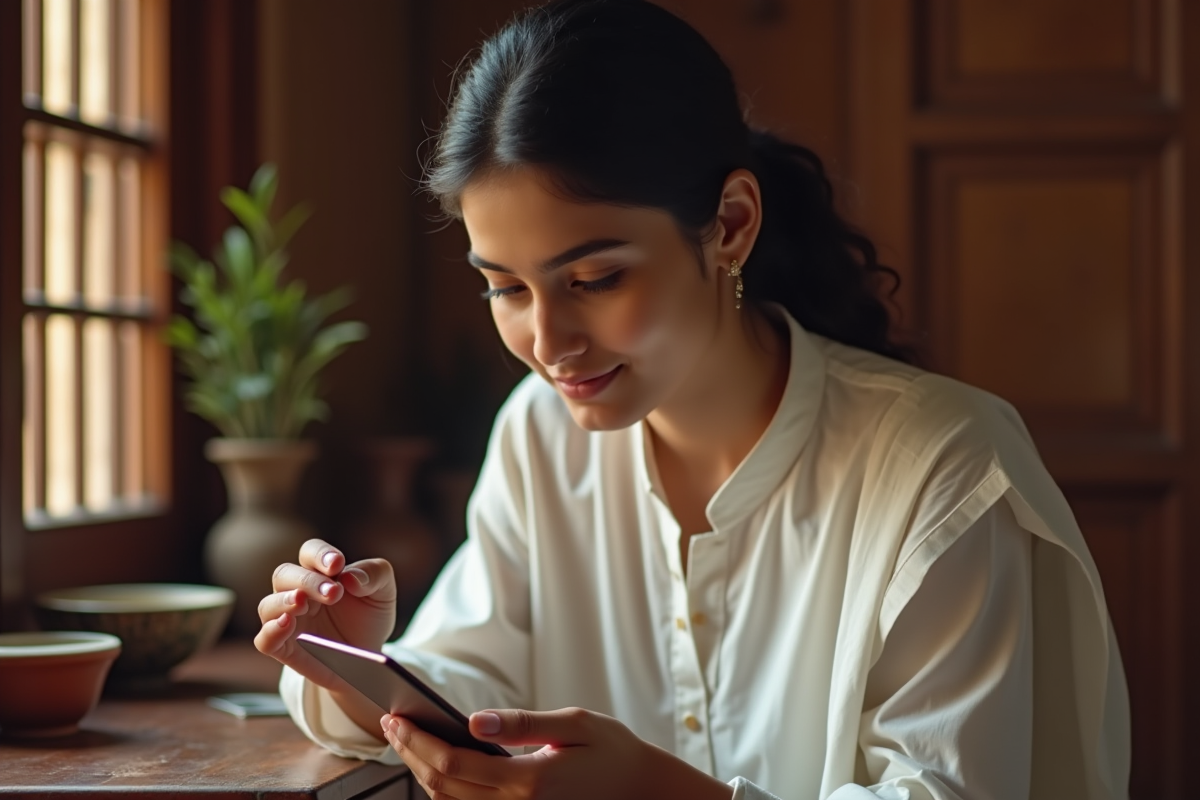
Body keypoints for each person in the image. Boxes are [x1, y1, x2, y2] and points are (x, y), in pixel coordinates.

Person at [254, 1, 1131, 798]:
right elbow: (478, 676)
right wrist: (356, 662)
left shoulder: (946, 465)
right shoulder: (541, 433)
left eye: (595, 279)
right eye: (507, 288)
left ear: (731, 225)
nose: (549, 344)